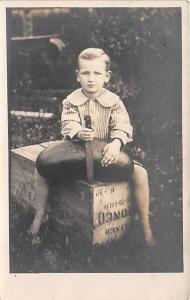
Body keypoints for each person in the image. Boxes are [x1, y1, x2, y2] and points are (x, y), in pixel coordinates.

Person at [28, 48, 155, 247]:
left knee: (141, 173)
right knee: (40, 170)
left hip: (106, 155)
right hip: (76, 153)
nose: (91, 79)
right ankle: (40, 214)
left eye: (97, 73)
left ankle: (145, 223)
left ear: (107, 76)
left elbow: (122, 126)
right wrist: (78, 132)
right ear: (78, 76)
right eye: (85, 73)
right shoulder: (71, 101)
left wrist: (115, 144)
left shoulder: (114, 102)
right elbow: (68, 123)